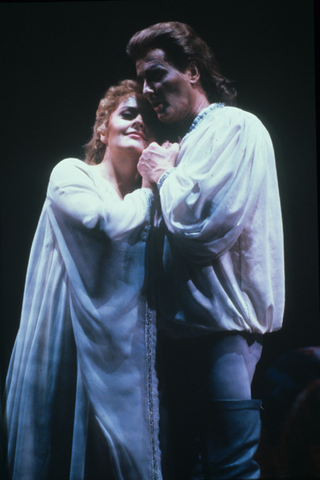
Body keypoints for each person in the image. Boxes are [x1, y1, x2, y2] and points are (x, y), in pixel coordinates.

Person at [126, 22, 285, 479]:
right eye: (142, 82)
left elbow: (199, 227)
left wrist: (161, 173)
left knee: (228, 469)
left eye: (157, 74)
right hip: (184, 337)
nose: (149, 90)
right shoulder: (189, 142)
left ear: (193, 71)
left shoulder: (234, 126)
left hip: (220, 336)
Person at [4, 79, 168, 480]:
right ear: (102, 128)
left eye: (147, 118)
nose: (138, 123)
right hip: (68, 345)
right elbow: (104, 226)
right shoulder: (71, 174)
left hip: (126, 357)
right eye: (128, 113)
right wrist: (147, 190)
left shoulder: (159, 203)